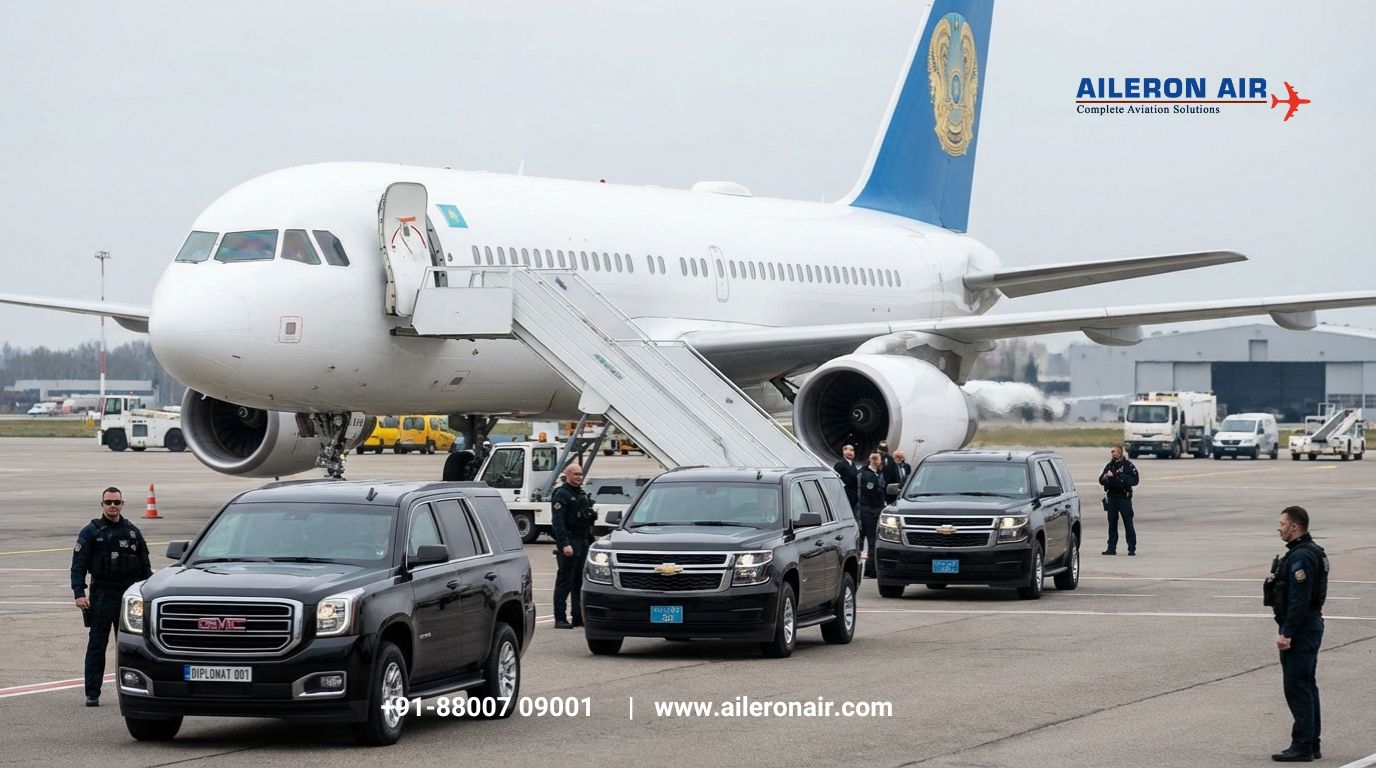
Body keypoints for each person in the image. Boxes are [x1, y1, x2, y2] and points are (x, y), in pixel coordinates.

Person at [71, 486, 152, 707]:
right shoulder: (91, 532)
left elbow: (146, 568)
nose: (113, 506)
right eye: (108, 502)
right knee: (97, 645)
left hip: (128, 597)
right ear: (102, 505)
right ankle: (92, 693)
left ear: (122, 504)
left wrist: (148, 597)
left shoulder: (133, 532)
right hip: (102, 595)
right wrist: (79, 593)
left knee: (131, 646)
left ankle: (132, 690)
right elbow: (78, 566)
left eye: (116, 502)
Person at [1266, 506, 1328, 762]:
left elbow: (1299, 599)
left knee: (1298, 687)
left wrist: (1287, 632)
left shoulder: (1301, 557)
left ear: (1294, 527)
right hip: (1310, 625)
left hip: (1301, 628)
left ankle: (1303, 745)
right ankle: (1311, 742)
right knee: (1307, 685)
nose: (1278, 527)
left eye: (1282, 523)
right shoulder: (1312, 552)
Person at [550, 464, 596, 629]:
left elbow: (586, 521)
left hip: (582, 540)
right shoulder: (562, 494)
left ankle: (578, 616)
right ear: (567, 475)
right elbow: (558, 522)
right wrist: (564, 544)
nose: (579, 477)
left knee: (579, 581)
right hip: (570, 542)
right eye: (576, 474)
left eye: (581, 474)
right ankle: (560, 618)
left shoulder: (581, 494)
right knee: (565, 581)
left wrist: (591, 542)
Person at [1098, 444, 1139, 555]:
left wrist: (1118, 478)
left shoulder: (1128, 466)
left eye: (1115, 451)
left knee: (1128, 523)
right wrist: (1108, 477)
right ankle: (1111, 548)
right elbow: (1101, 479)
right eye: (1111, 452)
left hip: (1123, 498)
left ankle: (1131, 548)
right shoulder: (1109, 466)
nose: (1113, 453)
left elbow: (1135, 480)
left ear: (1120, 452)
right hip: (1112, 498)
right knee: (1112, 524)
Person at [856, 451, 887, 578]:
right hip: (870, 511)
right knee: (872, 541)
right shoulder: (869, 476)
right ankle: (871, 570)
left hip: (869, 510)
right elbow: (872, 494)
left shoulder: (873, 474)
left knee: (867, 541)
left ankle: (869, 569)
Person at [832, 444, 860, 511]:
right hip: (845, 497)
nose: (850, 452)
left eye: (852, 450)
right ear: (843, 452)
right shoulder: (839, 465)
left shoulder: (853, 465)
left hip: (854, 498)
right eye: (847, 450)